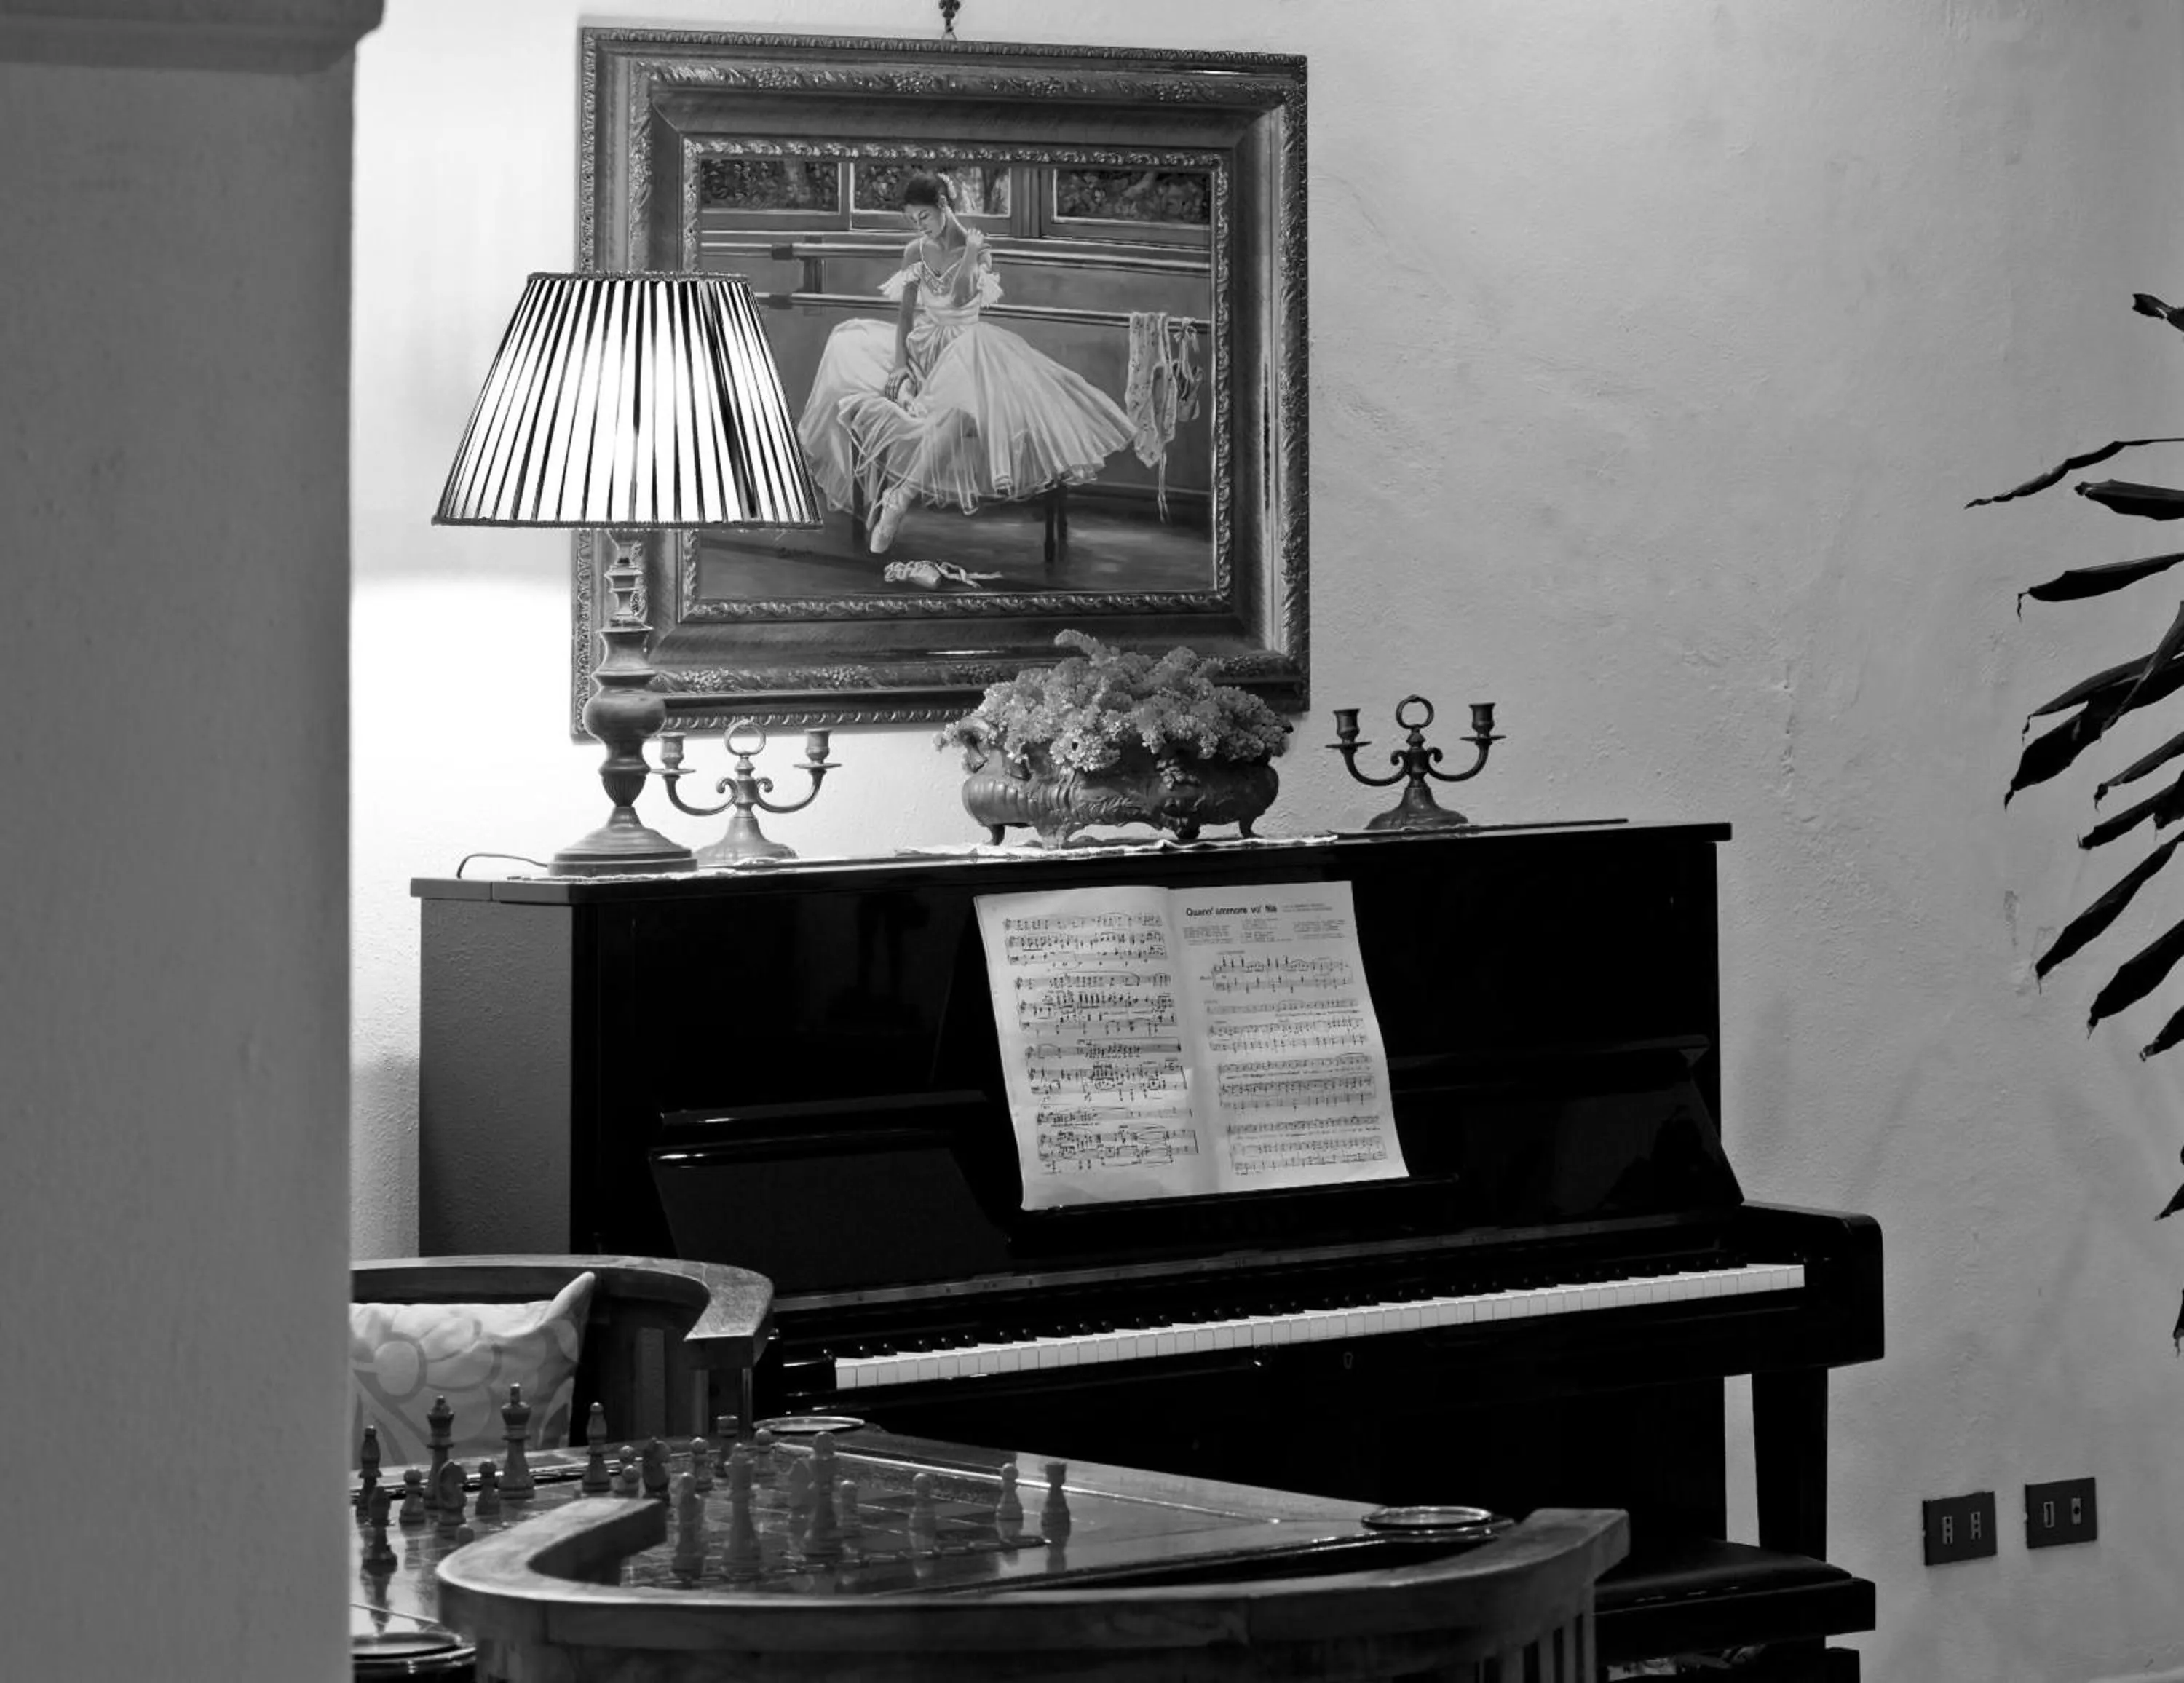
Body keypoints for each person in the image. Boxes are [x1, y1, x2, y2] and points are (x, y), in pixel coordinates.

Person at [798, 172, 1133, 553]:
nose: (919, 226)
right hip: (926, 346)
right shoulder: (915, 251)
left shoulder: (980, 250)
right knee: (848, 339)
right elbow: (906, 315)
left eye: (923, 217)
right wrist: (900, 365)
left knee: (963, 400)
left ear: (943, 205)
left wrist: (972, 254)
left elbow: (959, 301)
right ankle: (908, 415)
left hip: (970, 350)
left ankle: (900, 499)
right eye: (912, 220)